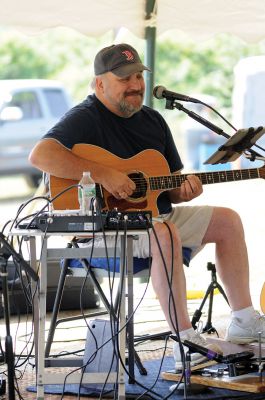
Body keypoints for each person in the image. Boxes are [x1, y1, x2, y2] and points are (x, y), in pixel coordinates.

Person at [29, 43, 265, 370]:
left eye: (138, 75)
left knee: (228, 220)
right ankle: (186, 340)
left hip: (153, 219)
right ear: (99, 84)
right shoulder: (84, 118)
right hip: (100, 231)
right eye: (125, 78)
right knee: (164, 231)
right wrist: (105, 174)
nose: (136, 84)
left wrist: (186, 191)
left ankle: (243, 320)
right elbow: (41, 155)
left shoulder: (153, 120)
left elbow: (170, 187)